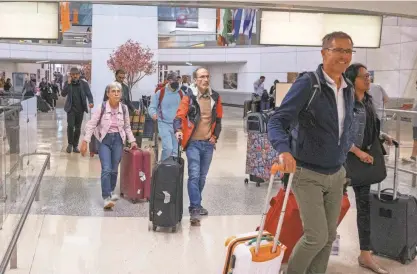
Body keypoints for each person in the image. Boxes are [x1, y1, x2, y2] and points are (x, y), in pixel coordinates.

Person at [267, 31, 355, 274]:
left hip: (336, 174)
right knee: (316, 236)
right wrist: (284, 151)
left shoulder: (346, 87)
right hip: (307, 173)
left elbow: (342, 126)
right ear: (324, 52)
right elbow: (277, 121)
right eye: (338, 50)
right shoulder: (309, 83)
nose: (344, 56)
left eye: (348, 51)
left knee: (329, 237)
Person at [345, 63, 393, 274]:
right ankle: (319, 249)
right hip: (341, 162)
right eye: (364, 76)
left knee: (364, 208)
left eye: (369, 76)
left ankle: (365, 254)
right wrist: (356, 151)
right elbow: (337, 134)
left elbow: (369, 128)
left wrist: (382, 136)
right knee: (332, 208)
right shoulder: (344, 102)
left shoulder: (368, 100)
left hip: (362, 163)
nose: (368, 79)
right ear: (352, 79)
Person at [174, 67, 223, 226]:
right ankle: (195, 208)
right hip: (193, 143)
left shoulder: (215, 97)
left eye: (207, 76)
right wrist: (178, 130)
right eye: (201, 77)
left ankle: (197, 203)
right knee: (194, 175)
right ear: (195, 80)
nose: (205, 79)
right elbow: (179, 116)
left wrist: (214, 137)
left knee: (202, 177)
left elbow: (219, 120)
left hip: (208, 144)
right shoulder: (189, 97)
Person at [80, 82, 137, 209]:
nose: (116, 93)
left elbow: (127, 126)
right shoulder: (102, 107)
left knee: (114, 169)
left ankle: (110, 192)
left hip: (118, 140)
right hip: (104, 141)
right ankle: (106, 197)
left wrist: (132, 141)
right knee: (106, 168)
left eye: (118, 91)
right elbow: (91, 124)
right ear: (108, 94)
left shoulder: (124, 108)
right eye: (113, 91)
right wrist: (85, 141)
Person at [148, 71, 183, 161]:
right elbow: (152, 106)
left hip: (177, 125)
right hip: (163, 123)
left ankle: (172, 170)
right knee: (168, 148)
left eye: (177, 80)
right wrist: (153, 114)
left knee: (175, 151)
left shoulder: (181, 93)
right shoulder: (161, 93)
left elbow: (185, 108)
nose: (176, 82)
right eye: (173, 80)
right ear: (168, 81)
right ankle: (163, 166)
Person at [62, 67, 94, 153]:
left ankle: (75, 145)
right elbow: (63, 94)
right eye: (73, 75)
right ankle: (70, 144)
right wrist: (68, 84)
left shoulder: (84, 84)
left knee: (78, 128)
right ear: (70, 75)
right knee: (70, 126)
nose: (75, 76)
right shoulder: (67, 83)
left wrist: (91, 102)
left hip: (80, 109)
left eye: (76, 74)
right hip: (71, 109)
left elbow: (89, 94)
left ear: (79, 75)